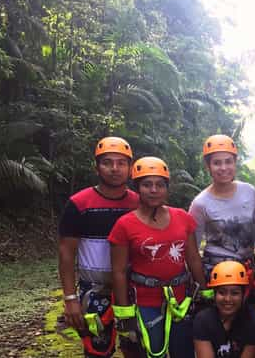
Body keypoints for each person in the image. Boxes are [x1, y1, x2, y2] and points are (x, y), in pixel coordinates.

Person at [109, 157, 208, 358]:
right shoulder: (124, 225)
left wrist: (204, 293)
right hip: (145, 302)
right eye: (147, 185)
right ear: (137, 187)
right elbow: (118, 271)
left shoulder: (182, 218)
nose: (154, 190)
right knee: (153, 352)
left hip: (181, 301)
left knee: (184, 353)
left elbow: (193, 259)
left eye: (160, 185)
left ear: (166, 188)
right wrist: (124, 313)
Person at [57, 136, 141, 357]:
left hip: (134, 289)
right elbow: (66, 254)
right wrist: (70, 299)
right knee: (97, 350)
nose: (115, 168)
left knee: (138, 347)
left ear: (130, 168)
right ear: (97, 167)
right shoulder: (79, 204)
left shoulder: (138, 203)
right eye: (107, 162)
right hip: (94, 290)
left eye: (121, 163)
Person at [189, 135, 255, 289]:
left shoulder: (249, 192)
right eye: (217, 163)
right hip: (216, 271)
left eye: (228, 161)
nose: (223, 168)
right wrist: (202, 287)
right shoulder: (200, 203)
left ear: (235, 163)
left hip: (247, 267)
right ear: (208, 166)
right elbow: (192, 251)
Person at [193, 261, 255, 358]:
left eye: (234, 293)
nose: (227, 299)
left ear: (243, 295)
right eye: (222, 292)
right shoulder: (202, 320)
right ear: (214, 294)